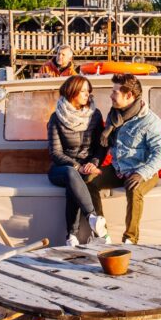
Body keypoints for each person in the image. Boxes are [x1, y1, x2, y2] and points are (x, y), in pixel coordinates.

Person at [86, 73, 161, 244]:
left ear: (129, 95)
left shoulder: (150, 121)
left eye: (115, 92)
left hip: (144, 170)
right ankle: (102, 233)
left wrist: (141, 173)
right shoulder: (114, 115)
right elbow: (104, 145)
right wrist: (95, 163)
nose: (111, 95)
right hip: (119, 169)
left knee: (134, 188)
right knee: (89, 181)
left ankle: (130, 239)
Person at [47, 75, 110, 247]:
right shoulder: (56, 118)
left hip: (87, 166)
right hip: (61, 168)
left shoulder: (95, 115)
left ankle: (71, 236)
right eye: (83, 91)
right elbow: (55, 153)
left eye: (88, 91)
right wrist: (78, 167)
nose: (87, 94)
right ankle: (91, 217)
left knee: (73, 184)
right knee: (71, 173)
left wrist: (94, 163)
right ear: (72, 92)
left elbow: (101, 146)